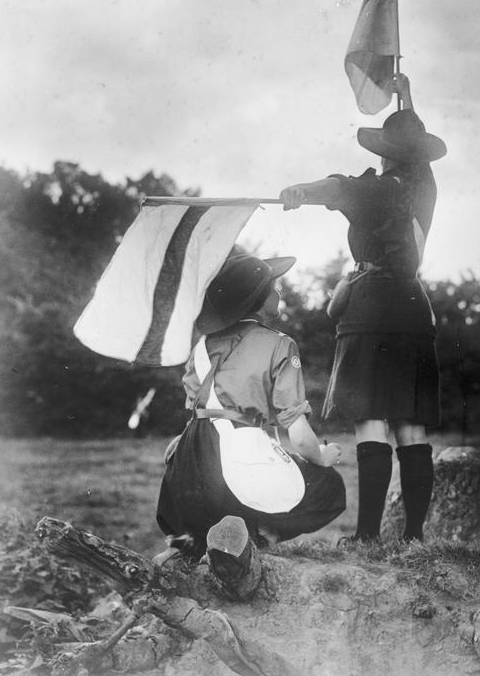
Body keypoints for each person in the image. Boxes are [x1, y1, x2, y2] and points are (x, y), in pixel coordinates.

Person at [279, 73, 446, 544]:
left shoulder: (381, 188)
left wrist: (300, 191)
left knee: (372, 418)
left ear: (388, 152)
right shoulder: (425, 186)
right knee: (410, 424)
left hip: (372, 308)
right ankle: (414, 537)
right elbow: (401, 157)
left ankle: (368, 536)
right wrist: (408, 98)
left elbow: (338, 187)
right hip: (413, 309)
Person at [156, 253, 346, 557]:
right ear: (257, 298)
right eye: (274, 285)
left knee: (215, 500)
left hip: (188, 469)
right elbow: (298, 434)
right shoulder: (279, 344)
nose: (279, 290)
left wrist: (182, 443)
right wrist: (321, 457)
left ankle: (192, 543)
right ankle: (259, 540)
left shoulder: (201, 346)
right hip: (234, 471)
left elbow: (199, 410)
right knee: (329, 487)